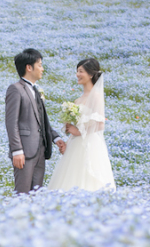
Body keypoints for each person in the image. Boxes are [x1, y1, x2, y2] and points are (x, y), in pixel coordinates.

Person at [47, 58, 116, 192]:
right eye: (77, 71)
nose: (77, 75)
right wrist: (68, 126)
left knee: (86, 178)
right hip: (75, 143)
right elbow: (75, 127)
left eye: (81, 71)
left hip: (89, 144)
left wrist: (78, 132)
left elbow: (100, 124)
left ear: (90, 74)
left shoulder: (95, 96)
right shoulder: (78, 99)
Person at [5, 49, 66, 194]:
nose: (42, 69)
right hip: (24, 152)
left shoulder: (36, 90)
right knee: (22, 193)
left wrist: (56, 138)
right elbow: (11, 122)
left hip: (40, 151)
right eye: (40, 65)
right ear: (29, 67)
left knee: (36, 194)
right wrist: (17, 150)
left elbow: (42, 121)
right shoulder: (16, 89)